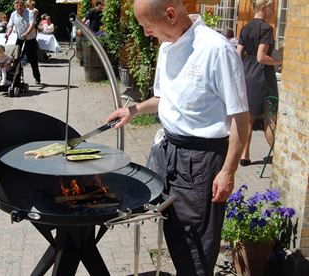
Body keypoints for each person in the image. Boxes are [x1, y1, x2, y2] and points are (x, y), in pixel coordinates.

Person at [106, 1, 249, 275]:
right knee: (174, 232)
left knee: (196, 247)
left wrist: (228, 171)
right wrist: (132, 110)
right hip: (169, 153)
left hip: (202, 161)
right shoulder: (167, 47)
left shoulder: (216, 50)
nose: (147, 33)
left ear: (170, 14)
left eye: (148, 26)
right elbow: (163, 98)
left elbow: (241, 119)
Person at [237, 0, 282, 166]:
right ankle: (279, 156)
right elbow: (261, 57)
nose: (273, 11)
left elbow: (238, 54)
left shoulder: (246, 28)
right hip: (263, 78)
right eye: (271, 8)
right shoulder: (266, 29)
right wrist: (281, 60)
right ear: (263, 8)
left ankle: (244, 156)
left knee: (248, 119)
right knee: (269, 120)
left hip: (247, 75)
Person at [6, 0, 41, 84]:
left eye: (20, 6)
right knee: (16, 59)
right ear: (14, 6)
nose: (19, 7)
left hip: (30, 39)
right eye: (17, 6)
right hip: (20, 39)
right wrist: (7, 34)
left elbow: (32, 25)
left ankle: (37, 78)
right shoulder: (13, 14)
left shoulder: (30, 13)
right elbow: (11, 26)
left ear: (24, 6)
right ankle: (16, 79)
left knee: (33, 60)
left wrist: (26, 33)